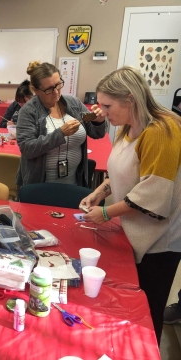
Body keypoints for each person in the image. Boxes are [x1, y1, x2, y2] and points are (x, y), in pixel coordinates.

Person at [80, 66, 181, 345]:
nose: (102, 112)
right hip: (133, 231)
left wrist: (104, 213)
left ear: (130, 99)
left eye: (107, 105)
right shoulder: (126, 127)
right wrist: (100, 191)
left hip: (159, 242)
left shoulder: (162, 129)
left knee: (148, 311)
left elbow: (152, 193)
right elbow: (124, 172)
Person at [17, 61, 106, 187]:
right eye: (49, 89)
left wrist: (98, 121)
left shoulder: (74, 103)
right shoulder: (28, 112)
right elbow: (27, 149)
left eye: (58, 85)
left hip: (74, 182)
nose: (56, 92)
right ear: (35, 90)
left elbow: (97, 133)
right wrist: (60, 133)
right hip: (40, 186)